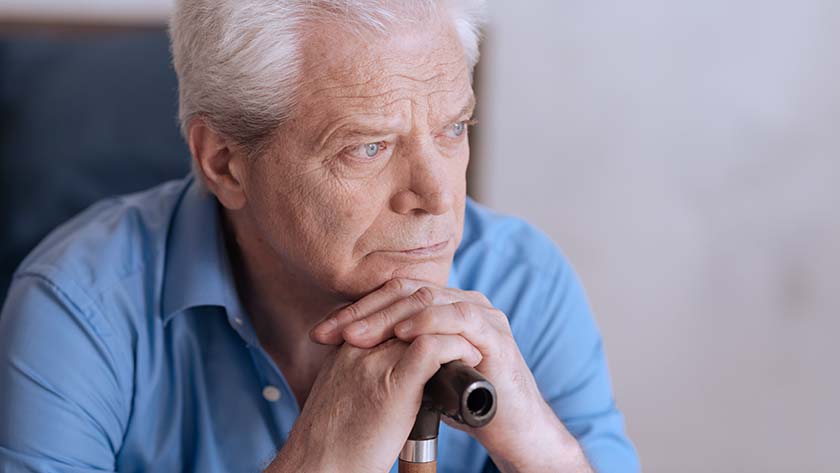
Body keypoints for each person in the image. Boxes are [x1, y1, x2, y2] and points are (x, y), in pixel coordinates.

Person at [0, 1, 639, 472]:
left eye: (452, 129)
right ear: (224, 162)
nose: (440, 197)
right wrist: (325, 459)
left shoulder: (525, 280)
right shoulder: (76, 307)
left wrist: (540, 447)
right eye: (369, 146)